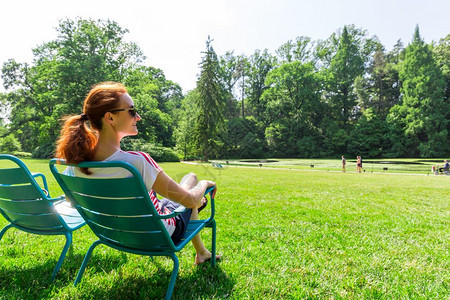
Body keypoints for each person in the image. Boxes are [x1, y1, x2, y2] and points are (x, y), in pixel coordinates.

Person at [55, 82, 219, 265]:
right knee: (194, 188)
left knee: (189, 181)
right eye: (132, 111)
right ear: (110, 118)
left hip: (114, 235)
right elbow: (189, 201)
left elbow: (71, 201)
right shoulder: (136, 163)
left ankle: (202, 252)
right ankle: (202, 253)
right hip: (160, 236)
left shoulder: (75, 165)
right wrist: (206, 184)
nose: (138, 117)